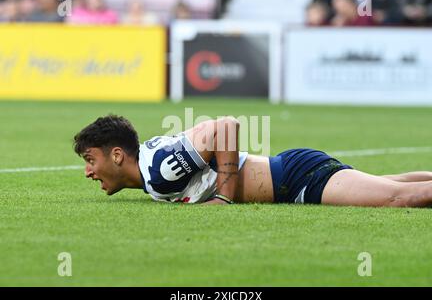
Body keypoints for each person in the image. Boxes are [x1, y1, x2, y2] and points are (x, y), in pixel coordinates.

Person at [73, 115, 432, 207]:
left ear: (117, 155)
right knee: (398, 184)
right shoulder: (154, 169)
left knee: (398, 199)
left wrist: (224, 196)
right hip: (292, 174)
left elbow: (225, 128)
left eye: (90, 159)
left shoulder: (160, 168)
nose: (88, 171)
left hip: (299, 179)